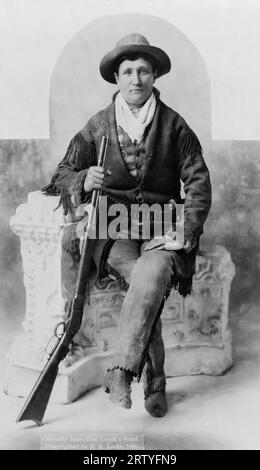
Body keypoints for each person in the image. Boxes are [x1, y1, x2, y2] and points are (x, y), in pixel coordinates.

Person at [42, 33, 212, 418]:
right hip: (115, 230)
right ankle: (155, 376)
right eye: (128, 72)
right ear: (117, 78)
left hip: (161, 230)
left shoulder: (174, 125)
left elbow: (199, 183)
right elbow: (62, 174)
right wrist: (84, 179)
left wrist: (183, 230)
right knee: (141, 280)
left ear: (154, 77)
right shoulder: (99, 124)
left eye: (144, 71)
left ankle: (121, 372)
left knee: (150, 275)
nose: (136, 79)